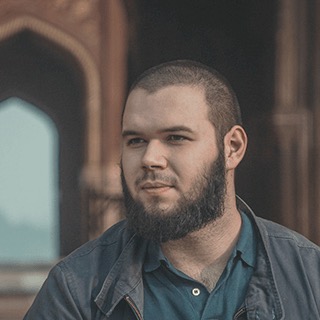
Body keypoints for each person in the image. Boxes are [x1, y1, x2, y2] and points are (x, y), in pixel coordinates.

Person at [24, 60, 320, 320]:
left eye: (176, 137)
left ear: (233, 148)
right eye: (135, 141)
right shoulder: (77, 288)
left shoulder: (310, 275)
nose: (150, 159)